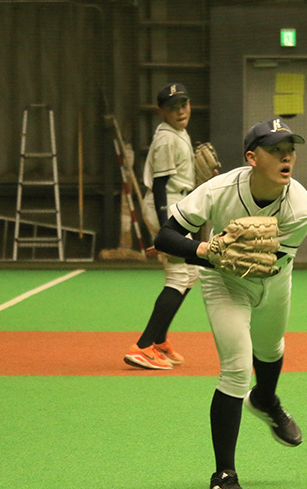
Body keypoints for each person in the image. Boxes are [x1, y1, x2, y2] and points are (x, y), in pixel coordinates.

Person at [154, 119, 307, 489]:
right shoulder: (219, 189)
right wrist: (205, 250)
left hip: (275, 281)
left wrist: (230, 248)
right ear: (251, 157)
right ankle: (224, 476)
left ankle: (266, 400)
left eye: (290, 147)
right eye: (276, 149)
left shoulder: (302, 207)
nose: (286, 155)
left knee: (271, 349)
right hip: (223, 281)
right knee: (238, 368)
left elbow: (265, 262)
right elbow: (165, 235)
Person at [123, 83, 200, 370]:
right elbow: (158, 184)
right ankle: (142, 346)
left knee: (191, 274)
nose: (181, 111)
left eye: (184, 104)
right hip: (167, 208)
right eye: (173, 107)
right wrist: (166, 230)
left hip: (178, 206)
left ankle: (159, 341)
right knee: (180, 277)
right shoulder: (167, 139)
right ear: (161, 112)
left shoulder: (178, 133)